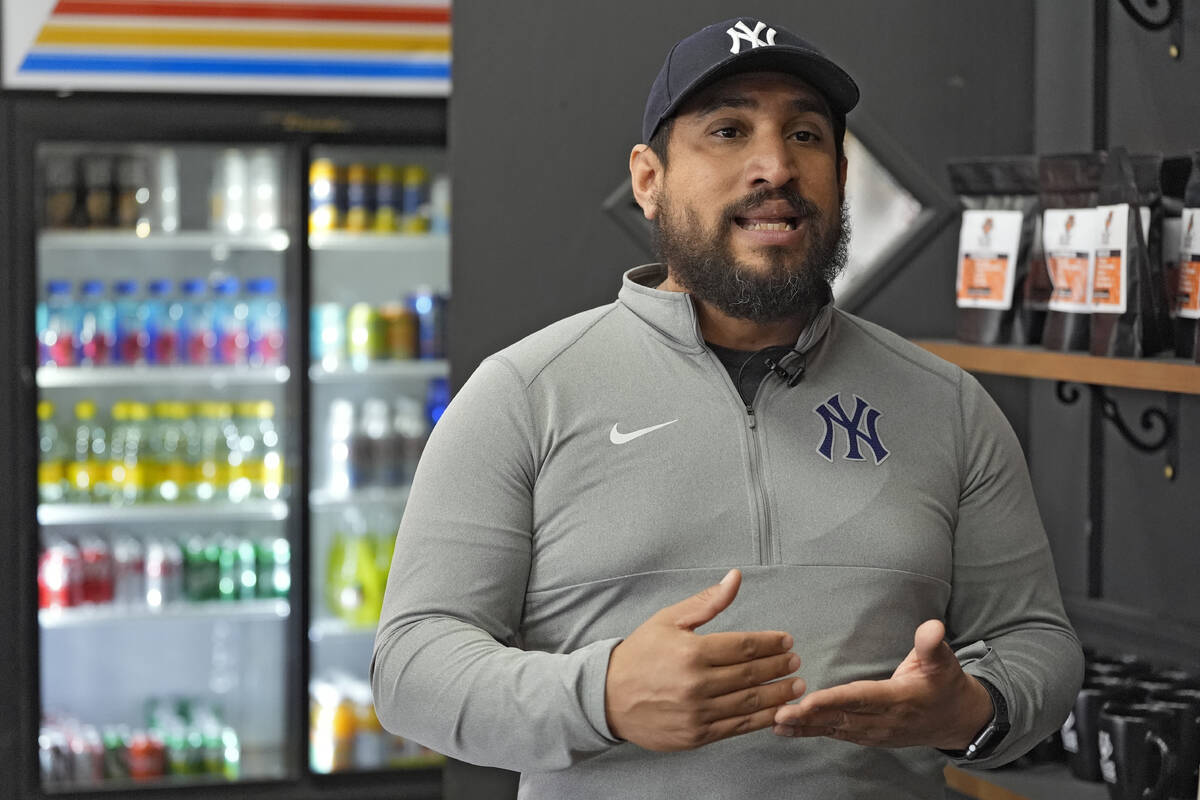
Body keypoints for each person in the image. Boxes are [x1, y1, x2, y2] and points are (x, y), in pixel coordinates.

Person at [371, 17, 1084, 798]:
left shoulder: (947, 405)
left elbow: (1036, 643)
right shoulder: (523, 393)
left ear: (840, 177)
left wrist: (973, 709)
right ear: (649, 178)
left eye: (806, 135)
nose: (775, 165)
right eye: (728, 130)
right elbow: (412, 667)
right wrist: (602, 696)